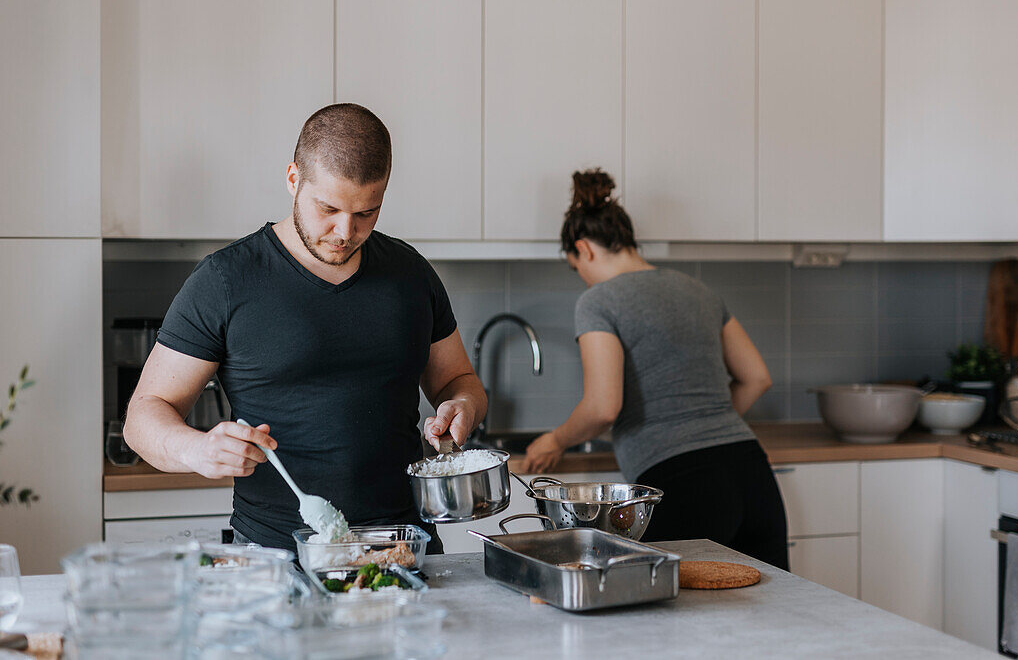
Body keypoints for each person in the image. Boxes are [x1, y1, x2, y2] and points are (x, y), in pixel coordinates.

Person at [123, 103, 487, 553]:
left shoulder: (410, 274)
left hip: (403, 548)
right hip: (275, 555)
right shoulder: (226, 280)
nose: (345, 231)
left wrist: (463, 405)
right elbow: (143, 416)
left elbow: (458, 380)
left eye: (367, 213)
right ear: (293, 179)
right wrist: (196, 450)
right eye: (328, 208)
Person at [520, 169, 789, 569]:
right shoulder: (699, 290)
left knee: (673, 624)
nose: (583, 280)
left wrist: (555, 440)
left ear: (584, 250)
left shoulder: (598, 301)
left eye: (577, 268)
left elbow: (603, 407)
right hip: (752, 474)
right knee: (772, 615)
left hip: (683, 483)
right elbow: (756, 378)